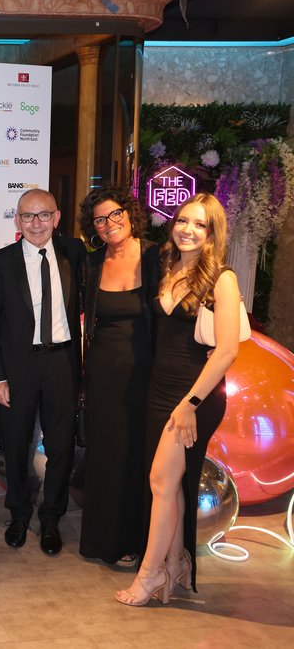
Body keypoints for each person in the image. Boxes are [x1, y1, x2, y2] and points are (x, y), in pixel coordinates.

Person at [116, 194, 240, 606]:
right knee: (171, 485)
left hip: (195, 394)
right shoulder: (169, 267)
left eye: (200, 224)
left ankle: (150, 574)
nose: (188, 230)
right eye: (183, 220)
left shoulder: (221, 278)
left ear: (213, 233)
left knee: (160, 482)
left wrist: (190, 403)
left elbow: (227, 351)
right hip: (160, 389)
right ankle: (177, 563)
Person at [0, 188, 85, 555]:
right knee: (15, 444)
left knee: (61, 446)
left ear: (56, 218)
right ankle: (18, 514)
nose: (36, 223)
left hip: (63, 361)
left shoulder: (75, 253)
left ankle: (51, 517)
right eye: (28, 216)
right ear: (17, 220)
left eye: (44, 215)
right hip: (16, 366)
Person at [77, 185, 160, 567]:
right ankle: (104, 541)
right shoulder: (91, 264)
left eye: (115, 214)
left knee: (140, 456)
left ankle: (141, 541)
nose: (109, 223)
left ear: (129, 214)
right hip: (103, 374)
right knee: (106, 454)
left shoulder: (157, 256)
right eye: (100, 219)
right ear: (92, 227)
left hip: (149, 372)